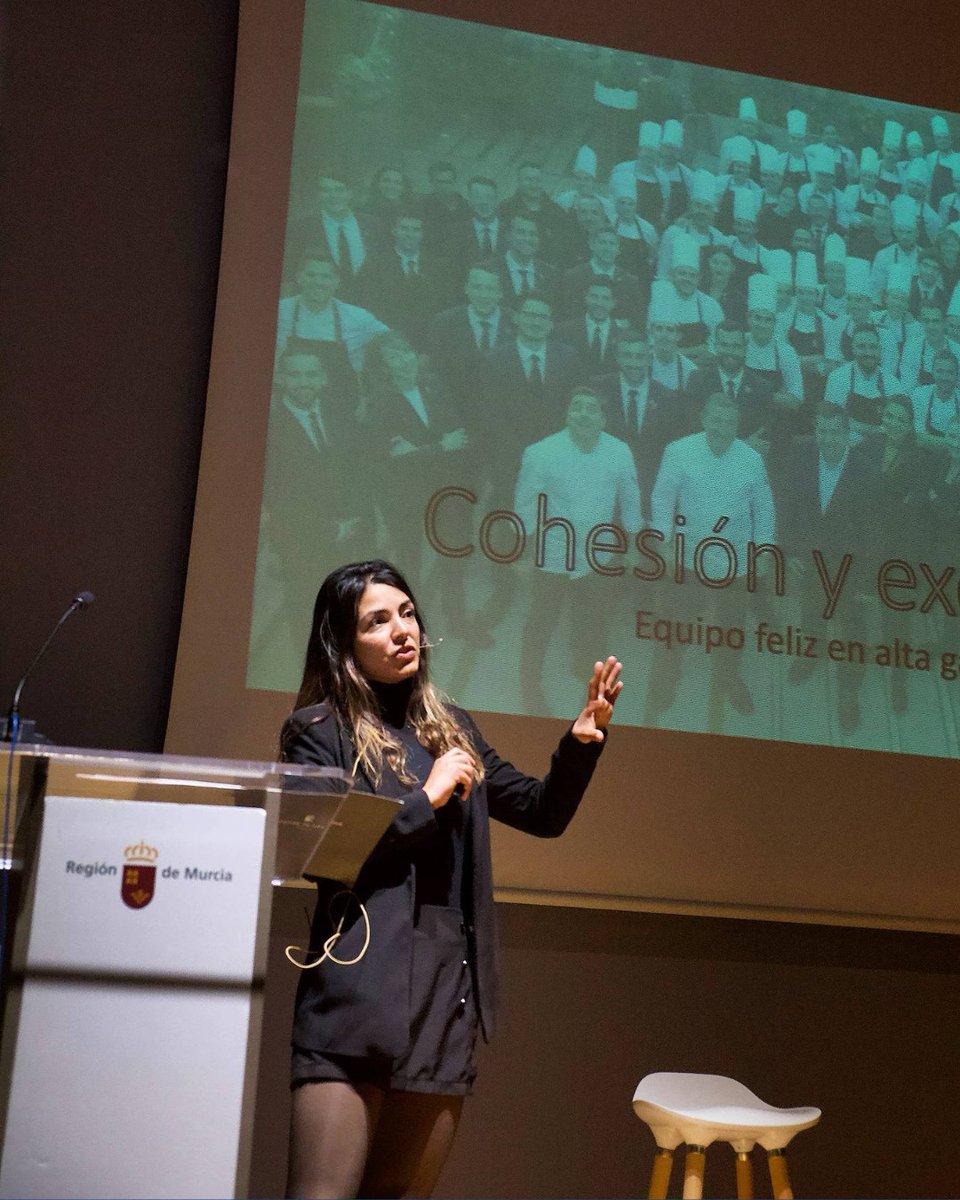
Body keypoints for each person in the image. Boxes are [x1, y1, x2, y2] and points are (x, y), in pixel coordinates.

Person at [281, 560, 622, 1199]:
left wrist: (582, 742)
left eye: (407, 613)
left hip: (443, 1001)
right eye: (377, 621)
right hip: (356, 996)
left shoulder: (452, 728)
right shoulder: (318, 733)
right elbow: (326, 851)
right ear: (344, 645)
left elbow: (541, 812)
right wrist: (427, 797)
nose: (402, 630)